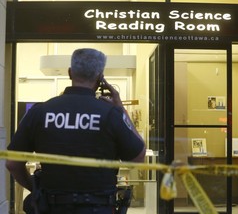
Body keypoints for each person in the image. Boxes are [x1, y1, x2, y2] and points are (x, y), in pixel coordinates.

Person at [6, 48, 146, 214]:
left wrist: (37, 189)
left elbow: (12, 164)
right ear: (100, 77)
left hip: (51, 207)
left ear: (70, 72)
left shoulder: (40, 112)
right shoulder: (110, 114)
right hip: (98, 208)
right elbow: (138, 158)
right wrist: (121, 109)